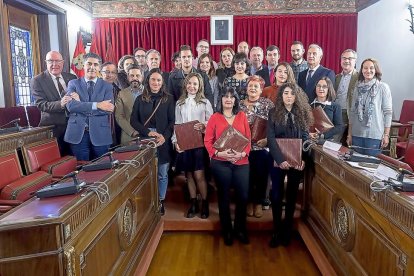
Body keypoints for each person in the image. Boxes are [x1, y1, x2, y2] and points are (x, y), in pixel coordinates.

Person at [267, 83, 313, 247]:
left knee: (292, 197)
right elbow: (270, 139)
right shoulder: (273, 113)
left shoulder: (302, 114)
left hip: (296, 161)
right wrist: (280, 160)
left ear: (296, 96)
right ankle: (276, 231)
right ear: (281, 96)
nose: (288, 96)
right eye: (285, 93)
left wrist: (304, 159)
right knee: (277, 196)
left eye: (292, 94)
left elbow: (306, 139)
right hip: (277, 161)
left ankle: (287, 231)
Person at [204, 87, 251, 246]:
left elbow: (248, 140)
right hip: (220, 163)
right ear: (221, 100)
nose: (229, 99)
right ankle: (227, 231)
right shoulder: (214, 117)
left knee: (243, 197)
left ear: (236, 100)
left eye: (232, 97)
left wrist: (242, 155)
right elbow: (207, 141)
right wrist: (218, 154)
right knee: (223, 197)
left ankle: (240, 229)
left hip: (241, 162)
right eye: (225, 97)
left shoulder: (242, 115)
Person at [130, 68, 175, 215]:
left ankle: (160, 200)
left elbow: (172, 122)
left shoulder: (168, 99)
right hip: (145, 138)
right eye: (153, 79)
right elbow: (133, 121)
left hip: (163, 139)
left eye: (159, 80)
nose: (156, 83)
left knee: (162, 172)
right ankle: (148, 201)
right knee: (147, 172)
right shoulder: (140, 98)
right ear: (148, 81)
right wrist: (148, 132)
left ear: (162, 83)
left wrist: (164, 136)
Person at [172, 73, 213, 219]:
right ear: (185, 85)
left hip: (199, 143)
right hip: (184, 143)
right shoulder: (179, 103)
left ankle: (205, 202)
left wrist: (204, 126)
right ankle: (193, 202)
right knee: (188, 174)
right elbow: (177, 124)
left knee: (199, 174)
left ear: (200, 86)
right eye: (189, 83)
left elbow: (211, 123)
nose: (192, 86)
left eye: (195, 84)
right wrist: (175, 141)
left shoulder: (205, 102)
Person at [64, 53, 115, 161]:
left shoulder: (107, 86)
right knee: (81, 170)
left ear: (99, 68)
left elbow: (108, 110)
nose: (92, 67)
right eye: (89, 64)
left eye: (96, 65)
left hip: (100, 134)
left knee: (103, 168)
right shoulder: (73, 83)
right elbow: (71, 107)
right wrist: (97, 105)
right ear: (83, 65)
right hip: (78, 134)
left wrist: (80, 104)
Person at [239, 75, 274, 218]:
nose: (252, 88)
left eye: (256, 86)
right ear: (246, 88)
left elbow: (273, 125)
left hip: (261, 147)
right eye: (250, 86)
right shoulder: (239, 104)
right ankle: (247, 202)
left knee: (261, 175)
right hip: (243, 147)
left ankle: (259, 202)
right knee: (246, 176)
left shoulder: (268, 104)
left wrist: (267, 140)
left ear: (261, 90)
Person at [31, 50, 77, 156]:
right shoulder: (37, 80)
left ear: (62, 62)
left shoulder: (72, 78)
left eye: (57, 61)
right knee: (58, 162)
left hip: (73, 125)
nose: (54, 64)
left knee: (75, 160)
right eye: (51, 61)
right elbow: (41, 104)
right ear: (46, 62)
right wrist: (60, 103)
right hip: (53, 128)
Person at [347, 58, 392, 156]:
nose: (368, 70)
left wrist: (386, 135)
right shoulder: (357, 88)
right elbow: (352, 112)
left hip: (374, 136)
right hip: (356, 134)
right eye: (365, 68)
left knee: (370, 167)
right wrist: (349, 134)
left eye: (371, 68)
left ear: (376, 70)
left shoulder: (383, 87)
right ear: (361, 70)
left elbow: (388, 113)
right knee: (354, 167)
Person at [115, 64, 144, 144]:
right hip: (129, 136)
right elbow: (119, 116)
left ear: (142, 77)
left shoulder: (150, 92)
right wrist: (132, 132)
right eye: (132, 75)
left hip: (149, 136)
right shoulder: (121, 94)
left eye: (137, 75)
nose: (134, 78)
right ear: (128, 77)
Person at [334, 49, 358, 142]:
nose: (346, 61)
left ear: (355, 61)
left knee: (351, 143)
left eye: (350, 58)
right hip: (337, 113)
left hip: (352, 115)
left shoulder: (360, 77)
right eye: (344, 58)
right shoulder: (336, 77)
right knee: (333, 141)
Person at [309, 77, 343, 142]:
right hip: (310, 140)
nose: (321, 89)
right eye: (318, 86)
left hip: (327, 141)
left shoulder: (335, 106)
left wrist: (323, 135)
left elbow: (339, 127)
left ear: (329, 89)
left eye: (324, 87)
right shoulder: (309, 105)